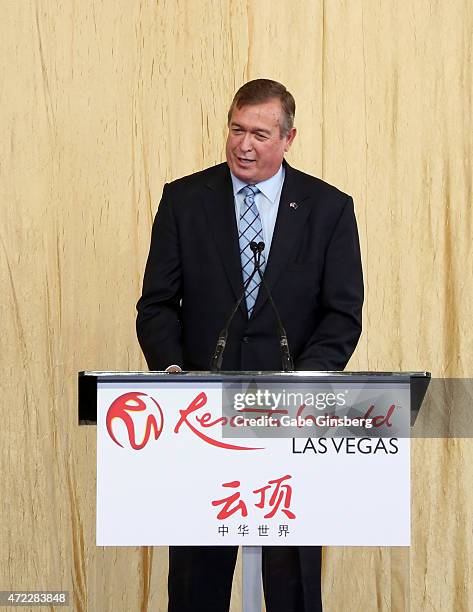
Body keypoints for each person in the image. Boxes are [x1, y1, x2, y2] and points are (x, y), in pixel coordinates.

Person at [136, 79, 363, 612]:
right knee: (197, 578)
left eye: (260, 134)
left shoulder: (329, 209)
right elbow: (157, 303)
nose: (244, 144)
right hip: (200, 417)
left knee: (292, 581)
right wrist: (172, 373)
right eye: (236, 129)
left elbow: (341, 313)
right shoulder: (185, 199)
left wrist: (304, 386)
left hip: (293, 421)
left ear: (288, 139)